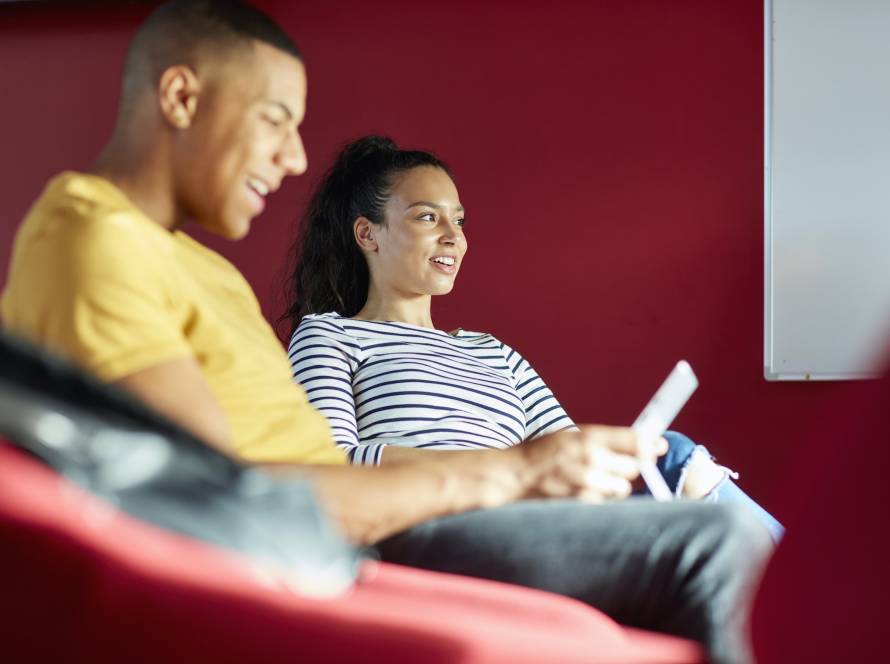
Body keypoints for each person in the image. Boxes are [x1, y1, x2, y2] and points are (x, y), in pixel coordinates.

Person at [0, 2, 771, 662]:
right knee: (711, 547)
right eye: (275, 121)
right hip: (354, 539)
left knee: (701, 504)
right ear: (179, 95)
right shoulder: (94, 238)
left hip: (366, 522)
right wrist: (511, 473)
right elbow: (229, 499)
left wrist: (580, 470)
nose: (295, 157)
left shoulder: (206, 272)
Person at [284, 135, 784, 540]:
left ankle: (810, 597)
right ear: (368, 235)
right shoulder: (329, 335)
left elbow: (566, 453)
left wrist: (613, 457)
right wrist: (509, 469)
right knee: (680, 476)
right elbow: (331, 466)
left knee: (671, 458)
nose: (453, 237)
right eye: (426, 217)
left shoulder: (493, 353)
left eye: (458, 220)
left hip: (532, 519)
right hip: (436, 523)